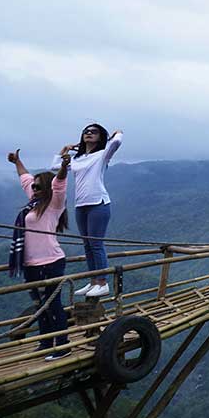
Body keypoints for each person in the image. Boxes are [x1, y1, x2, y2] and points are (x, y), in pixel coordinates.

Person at [8, 149, 72, 361]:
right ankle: (45, 343)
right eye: (33, 187)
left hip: (50, 262)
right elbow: (25, 179)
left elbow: (59, 183)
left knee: (52, 305)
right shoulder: (33, 204)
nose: (33, 189)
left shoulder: (54, 204)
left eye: (38, 187)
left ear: (46, 188)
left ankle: (62, 346)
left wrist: (63, 167)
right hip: (31, 264)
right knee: (40, 307)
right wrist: (18, 161)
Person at [53, 123, 123, 298]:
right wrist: (64, 150)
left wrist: (117, 133)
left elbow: (117, 143)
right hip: (81, 205)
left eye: (94, 132)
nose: (89, 134)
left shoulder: (102, 155)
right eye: (86, 132)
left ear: (100, 137)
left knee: (96, 244)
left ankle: (102, 283)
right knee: (87, 245)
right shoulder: (77, 159)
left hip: (98, 203)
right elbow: (55, 166)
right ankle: (93, 282)